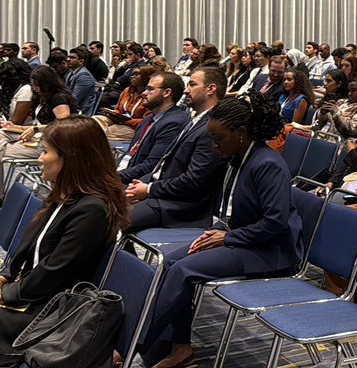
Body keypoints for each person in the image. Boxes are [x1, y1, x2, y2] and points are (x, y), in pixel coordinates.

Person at [140, 93, 303, 368]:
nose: (214, 145)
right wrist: (219, 232)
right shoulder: (237, 157)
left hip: (271, 250)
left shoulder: (267, 164)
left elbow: (275, 223)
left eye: (219, 138)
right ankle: (178, 348)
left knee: (183, 270)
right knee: (169, 261)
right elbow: (233, 210)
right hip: (242, 237)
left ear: (241, 132)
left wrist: (227, 236)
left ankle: (137, 342)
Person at [0, 117, 128, 363]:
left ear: (70, 158)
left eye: (46, 151)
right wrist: (5, 277)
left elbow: (55, 273)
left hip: (48, 313)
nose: (40, 158)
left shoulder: (92, 210)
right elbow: (29, 252)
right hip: (31, 293)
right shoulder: (64, 195)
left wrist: (7, 293)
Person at [124, 66, 227, 231]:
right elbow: (164, 165)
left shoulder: (212, 128)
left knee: (109, 219)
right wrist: (140, 185)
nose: (186, 90)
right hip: (161, 191)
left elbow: (194, 181)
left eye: (192, 85)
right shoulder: (196, 120)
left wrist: (149, 189)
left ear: (211, 89)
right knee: (99, 205)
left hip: (179, 206)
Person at [118, 73, 191, 186]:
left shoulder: (174, 123)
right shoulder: (148, 119)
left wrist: (113, 177)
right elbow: (130, 153)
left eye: (150, 89)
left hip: (139, 184)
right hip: (126, 171)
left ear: (167, 93)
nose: (144, 93)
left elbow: (151, 166)